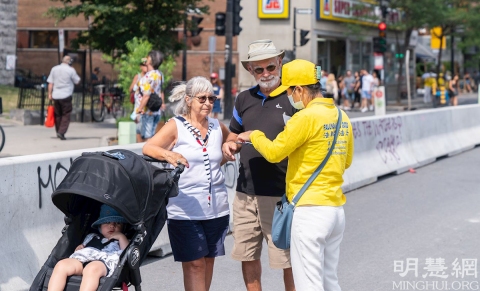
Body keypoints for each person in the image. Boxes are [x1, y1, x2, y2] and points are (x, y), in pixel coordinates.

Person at [234, 59, 354, 291]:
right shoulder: (341, 116)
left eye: (289, 91)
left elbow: (275, 153)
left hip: (309, 212)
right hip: (335, 211)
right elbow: (346, 161)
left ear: (299, 90)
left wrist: (255, 135)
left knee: (308, 284)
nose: (289, 96)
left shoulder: (304, 118)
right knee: (329, 280)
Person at [143, 76, 234, 291]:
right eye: (202, 98)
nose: (208, 103)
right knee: (194, 264)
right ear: (189, 100)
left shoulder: (217, 126)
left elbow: (230, 140)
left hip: (217, 208)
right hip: (184, 208)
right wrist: (169, 155)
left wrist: (230, 148)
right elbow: (149, 148)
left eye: (211, 98)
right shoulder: (177, 125)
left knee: (208, 260)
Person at [221, 39, 296, 291]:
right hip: (244, 194)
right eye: (259, 70)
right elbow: (234, 133)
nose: (265, 74)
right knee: (247, 255)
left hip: (279, 194)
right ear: (250, 71)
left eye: (270, 68)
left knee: (287, 259)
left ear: (279, 64)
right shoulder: (243, 98)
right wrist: (230, 145)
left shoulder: (293, 98)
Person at [47, 204, 129, 291]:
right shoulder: (91, 236)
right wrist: (80, 247)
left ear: (123, 228)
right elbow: (83, 246)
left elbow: (127, 253)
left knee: (91, 269)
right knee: (62, 265)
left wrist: (121, 236)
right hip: (82, 261)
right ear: (100, 226)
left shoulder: (120, 240)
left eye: (118, 223)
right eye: (107, 222)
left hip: (103, 264)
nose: (112, 225)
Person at [47, 55, 81, 140]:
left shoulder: (54, 69)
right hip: (66, 95)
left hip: (56, 95)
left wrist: (49, 94)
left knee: (58, 114)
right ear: (70, 62)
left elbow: (50, 83)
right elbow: (77, 81)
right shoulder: (71, 70)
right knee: (66, 114)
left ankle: (58, 130)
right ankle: (61, 132)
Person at [135, 50, 166, 142]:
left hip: (147, 111)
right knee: (152, 135)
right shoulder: (159, 74)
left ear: (151, 60)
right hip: (156, 110)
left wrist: (139, 110)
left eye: (148, 57)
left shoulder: (149, 77)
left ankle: (148, 155)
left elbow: (146, 96)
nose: (146, 58)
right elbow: (160, 91)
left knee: (147, 138)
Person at [129, 58, 148, 142]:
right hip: (138, 105)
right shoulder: (138, 76)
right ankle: (139, 147)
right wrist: (137, 85)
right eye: (144, 65)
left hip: (147, 106)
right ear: (141, 66)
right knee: (138, 129)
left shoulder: (150, 77)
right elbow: (130, 89)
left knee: (147, 130)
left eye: (146, 65)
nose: (145, 67)